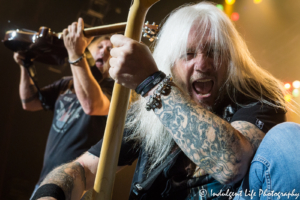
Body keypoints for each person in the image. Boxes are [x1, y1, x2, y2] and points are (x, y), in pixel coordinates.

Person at [31, 2, 300, 200]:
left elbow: (230, 164)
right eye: (189, 54)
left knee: (289, 138)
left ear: (230, 59)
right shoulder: (146, 116)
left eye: (214, 52)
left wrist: (151, 82)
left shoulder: (257, 96)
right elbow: (83, 168)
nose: (203, 64)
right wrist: (49, 194)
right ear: (170, 63)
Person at [13, 18, 114, 198]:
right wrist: (25, 66)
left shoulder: (114, 89)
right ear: (89, 50)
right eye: (100, 47)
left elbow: (91, 106)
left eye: (110, 49)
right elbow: (30, 102)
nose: (104, 51)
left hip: (78, 187)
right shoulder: (67, 83)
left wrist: (76, 55)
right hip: (46, 181)